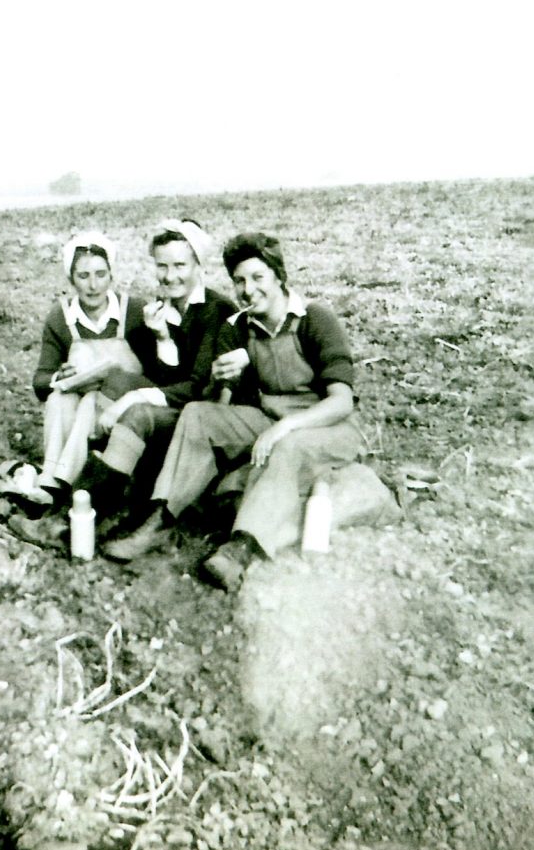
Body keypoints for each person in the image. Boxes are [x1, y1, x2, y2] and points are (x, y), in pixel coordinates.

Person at [105, 232, 366, 588]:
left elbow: (341, 401)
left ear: (278, 275)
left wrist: (285, 428)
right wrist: (218, 379)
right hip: (269, 417)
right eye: (239, 280)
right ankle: (161, 520)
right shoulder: (238, 327)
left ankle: (240, 549)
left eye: (258, 277)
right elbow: (218, 406)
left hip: (327, 424)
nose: (248, 289)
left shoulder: (314, 319)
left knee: (285, 447)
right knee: (198, 413)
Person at [76, 219, 236, 541]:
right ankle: (104, 490)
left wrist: (135, 398)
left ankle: (93, 508)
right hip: (176, 405)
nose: (170, 275)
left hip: (202, 417)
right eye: (162, 266)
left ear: (198, 265)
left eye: (180, 265)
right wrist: (161, 337)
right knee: (118, 381)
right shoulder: (165, 308)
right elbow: (160, 377)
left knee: (135, 407)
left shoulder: (216, 311)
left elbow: (197, 388)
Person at [7, 231, 147, 546]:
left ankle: (59, 484)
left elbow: (153, 371)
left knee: (90, 401)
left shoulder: (134, 311)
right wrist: (60, 375)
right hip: (78, 412)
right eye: (83, 276)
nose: (93, 284)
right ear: (71, 279)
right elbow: (40, 382)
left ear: (112, 274)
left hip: (120, 407)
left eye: (100, 274)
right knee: (60, 397)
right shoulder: (62, 317)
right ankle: (52, 483)